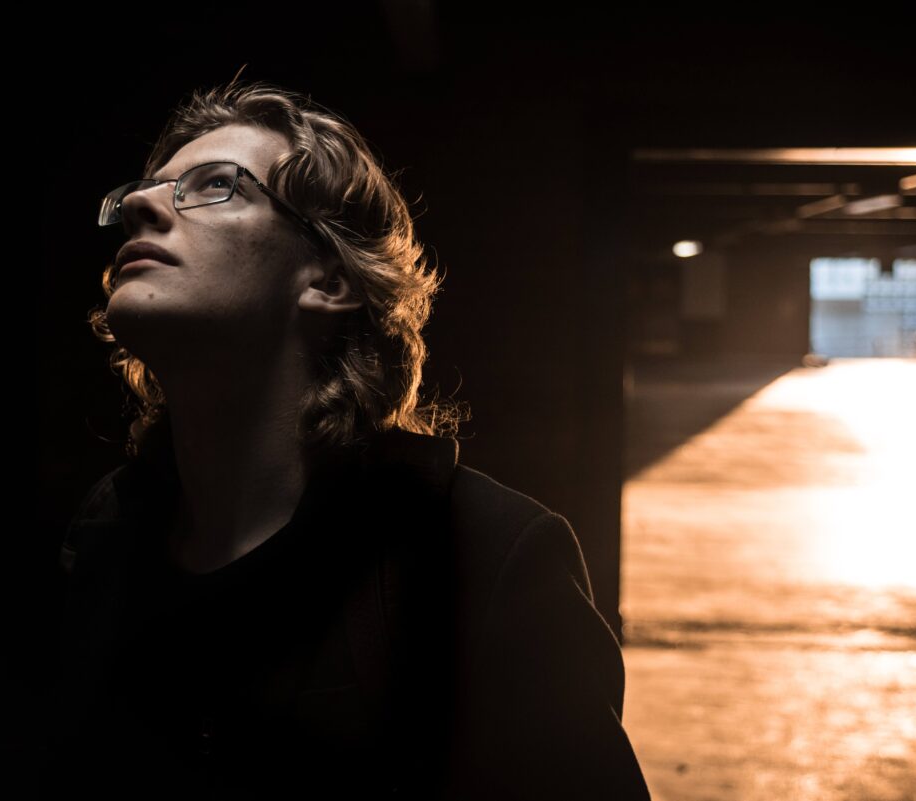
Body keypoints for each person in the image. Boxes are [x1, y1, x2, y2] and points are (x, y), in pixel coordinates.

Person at [39, 78, 650, 800]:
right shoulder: (107, 531)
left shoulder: (485, 555)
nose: (141, 205)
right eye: (143, 191)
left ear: (328, 279)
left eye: (214, 186)